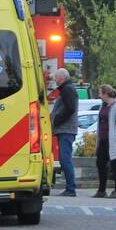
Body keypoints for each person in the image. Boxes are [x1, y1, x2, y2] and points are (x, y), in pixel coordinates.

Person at [93, 84, 116, 199]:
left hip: (113, 140)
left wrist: (115, 139)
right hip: (103, 139)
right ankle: (101, 190)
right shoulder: (103, 105)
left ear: (105, 94)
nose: (99, 95)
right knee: (100, 164)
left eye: (100, 93)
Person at [50, 68, 79, 196]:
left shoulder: (68, 90)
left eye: (56, 78)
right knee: (64, 158)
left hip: (66, 129)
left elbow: (70, 109)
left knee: (65, 158)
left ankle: (71, 188)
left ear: (61, 78)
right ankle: (70, 187)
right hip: (65, 129)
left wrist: (57, 120)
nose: (55, 80)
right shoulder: (67, 89)